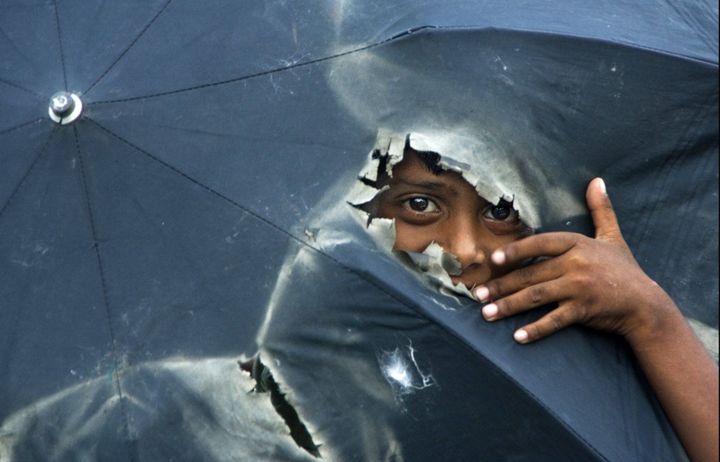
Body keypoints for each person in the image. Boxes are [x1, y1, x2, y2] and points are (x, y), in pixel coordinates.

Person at [365, 146, 719, 462]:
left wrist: (648, 316)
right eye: (419, 204)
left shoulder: (648, 352)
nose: (466, 251)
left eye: (501, 210)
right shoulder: (336, 355)